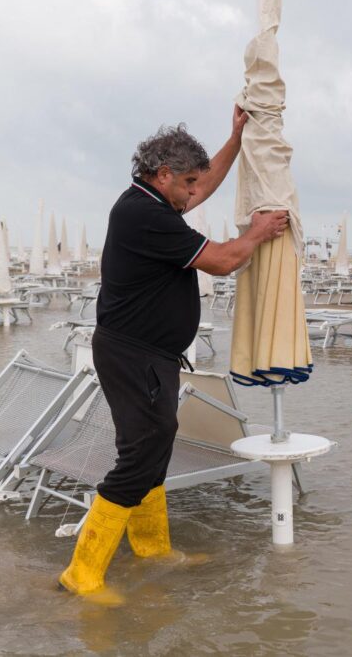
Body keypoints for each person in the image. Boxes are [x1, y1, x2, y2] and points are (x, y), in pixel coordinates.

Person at [59, 106, 289, 604]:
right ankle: (81, 573)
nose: (192, 194)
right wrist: (258, 231)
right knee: (142, 453)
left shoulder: (154, 201)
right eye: (185, 183)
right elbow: (225, 262)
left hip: (149, 354)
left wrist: (235, 136)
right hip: (131, 352)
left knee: (154, 448)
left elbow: (206, 184)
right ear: (162, 175)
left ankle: (151, 549)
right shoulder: (141, 214)